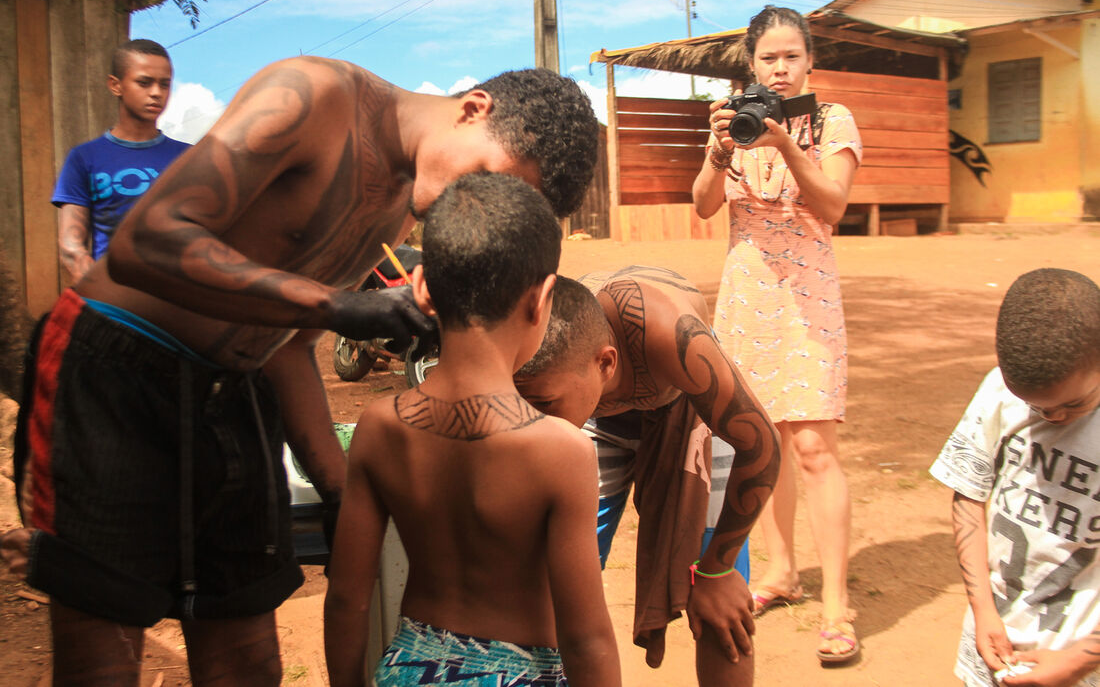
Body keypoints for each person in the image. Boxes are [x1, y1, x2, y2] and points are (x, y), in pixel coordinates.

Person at [4, 60, 598, 686]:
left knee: (248, 660)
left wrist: (338, 488)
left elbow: (288, 350)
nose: (463, 201)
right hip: (116, 372)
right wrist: (338, 306)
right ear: (475, 108)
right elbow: (142, 242)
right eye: (482, 176)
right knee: (103, 657)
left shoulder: (402, 202)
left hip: (236, 390)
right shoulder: (313, 97)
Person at [324, 172, 620, 687]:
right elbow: (586, 639)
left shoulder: (380, 427)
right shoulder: (561, 451)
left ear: (421, 288)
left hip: (408, 668)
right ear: (541, 300)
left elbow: (348, 598)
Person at [691, 4, 863, 664]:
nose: (782, 68)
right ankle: (781, 572)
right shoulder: (733, 119)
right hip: (747, 296)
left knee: (814, 446)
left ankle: (838, 604)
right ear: (752, 64)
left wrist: (786, 141)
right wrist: (717, 149)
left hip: (808, 298)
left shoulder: (830, 120)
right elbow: (705, 204)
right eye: (769, 58)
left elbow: (834, 204)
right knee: (759, 443)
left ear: (810, 61)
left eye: (792, 56)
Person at [514, 266, 780, 686]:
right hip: (599, 422)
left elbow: (762, 443)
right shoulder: (540, 360)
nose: (537, 421)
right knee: (547, 586)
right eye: (526, 405)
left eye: (545, 404)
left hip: (691, 412)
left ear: (606, 363)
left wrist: (716, 571)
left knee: (719, 606)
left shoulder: (670, 336)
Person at [931, 268, 1100, 687]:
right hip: (996, 641)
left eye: (1072, 404)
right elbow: (970, 495)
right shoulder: (1000, 393)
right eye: (1036, 407)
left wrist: (1081, 660)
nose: (1051, 417)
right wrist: (982, 607)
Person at [52, 39, 189, 283]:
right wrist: (102, 298)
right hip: (116, 303)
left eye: (165, 84)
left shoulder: (190, 158)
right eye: (144, 82)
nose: (156, 93)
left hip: (179, 301)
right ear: (115, 85)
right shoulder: (84, 158)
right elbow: (71, 246)